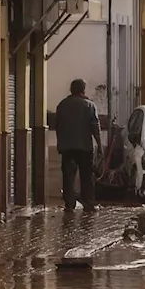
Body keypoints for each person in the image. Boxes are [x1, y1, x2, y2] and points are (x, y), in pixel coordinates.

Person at [54, 78, 103, 212]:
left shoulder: (62, 105)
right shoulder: (89, 105)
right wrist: (99, 145)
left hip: (67, 147)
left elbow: (57, 126)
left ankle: (69, 204)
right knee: (86, 175)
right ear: (83, 90)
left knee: (68, 176)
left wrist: (60, 144)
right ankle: (88, 203)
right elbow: (95, 127)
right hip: (84, 148)